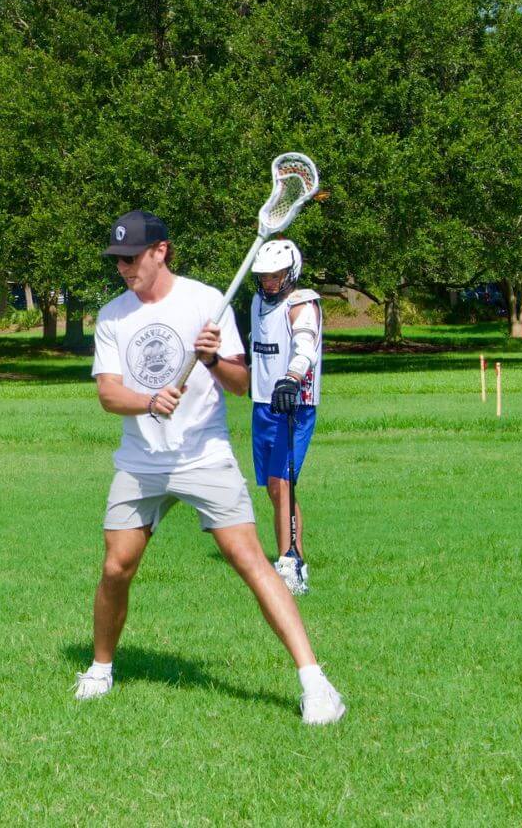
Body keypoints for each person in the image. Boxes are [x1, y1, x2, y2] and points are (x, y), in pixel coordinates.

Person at [75, 210, 343, 725]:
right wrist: (149, 402)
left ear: (161, 251)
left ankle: (316, 684)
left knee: (250, 561)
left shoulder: (207, 302)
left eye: (131, 259)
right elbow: (108, 394)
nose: (124, 269)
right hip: (141, 460)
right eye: (117, 261)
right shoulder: (112, 315)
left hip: (203, 455)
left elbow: (242, 385)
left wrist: (214, 358)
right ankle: (100, 669)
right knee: (116, 567)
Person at [248, 239, 322, 595]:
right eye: (263, 276)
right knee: (273, 488)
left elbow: (305, 346)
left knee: (282, 483)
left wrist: (291, 379)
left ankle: (292, 564)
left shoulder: (302, 304)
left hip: (292, 404)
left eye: (275, 276)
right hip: (262, 404)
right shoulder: (258, 303)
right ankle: (288, 557)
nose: (269, 282)